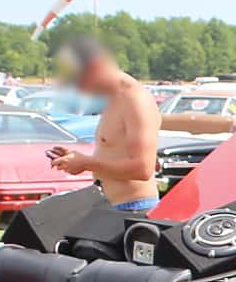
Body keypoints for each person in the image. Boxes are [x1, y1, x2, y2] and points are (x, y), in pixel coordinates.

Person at [47, 35, 160, 214]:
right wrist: (77, 159)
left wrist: (86, 163)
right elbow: (115, 152)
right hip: (111, 207)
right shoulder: (113, 98)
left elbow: (143, 168)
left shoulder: (135, 100)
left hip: (134, 208)